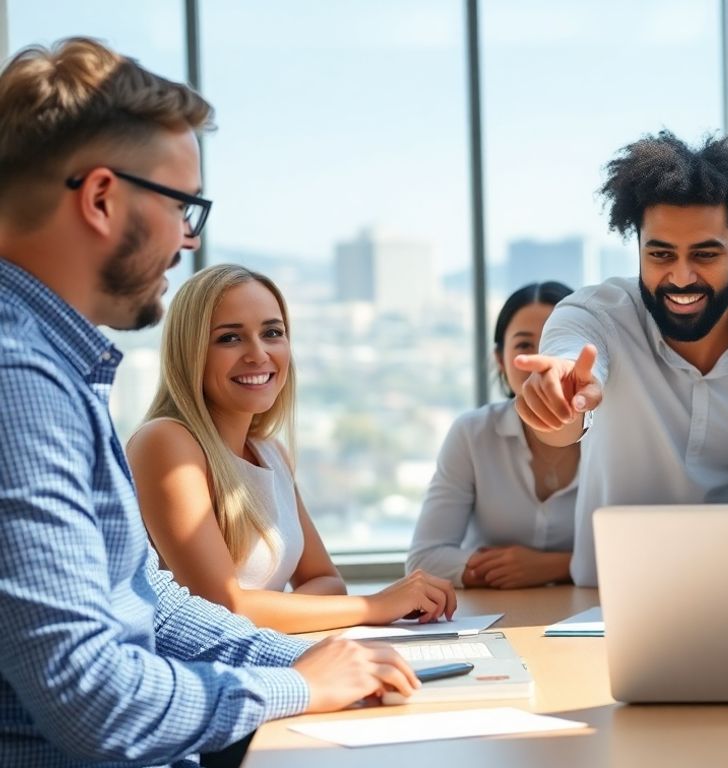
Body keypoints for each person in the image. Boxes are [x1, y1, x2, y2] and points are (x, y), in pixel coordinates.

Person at [0, 38, 417, 766]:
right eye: (181, 205)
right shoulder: (20, 382)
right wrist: (292, 688)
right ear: (101, 198)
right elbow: (91, 698)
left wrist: (307, 659)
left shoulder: (58, 368)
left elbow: (146, 599)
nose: (189, 239)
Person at [514, 130, 728, 586]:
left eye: (704, 254)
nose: (681, 277)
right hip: (603, 598)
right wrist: (563, 395)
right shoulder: (592, 315)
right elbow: (571, 382)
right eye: (660, 254)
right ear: (638, 247)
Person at [126, 264, 457, 634]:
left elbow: (328, 583)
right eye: (230, 338)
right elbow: (221, 608)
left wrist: (267, 609)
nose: (258, 354)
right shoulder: (165, 442)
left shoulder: (269, 452)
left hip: (267, 661)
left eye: (272, 333)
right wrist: (373, 606)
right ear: (190, 352)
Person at [408, 281, 579, 589]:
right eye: (525, 346)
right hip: (493, 616)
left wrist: (551, 567)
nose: (544, 362)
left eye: (557, 344)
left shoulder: (616, 436)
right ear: (500, 359)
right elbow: (423, 559)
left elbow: (640, 554)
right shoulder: (472, 434)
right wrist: (503, 568)